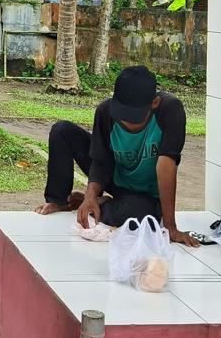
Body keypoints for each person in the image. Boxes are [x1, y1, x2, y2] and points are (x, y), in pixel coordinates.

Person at [35, 65, 201, 248]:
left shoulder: (170, 111)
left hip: (146, 194)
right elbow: (101, 160)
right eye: (122, 114)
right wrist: (91, 195)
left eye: (134, 116)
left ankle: (99, 205)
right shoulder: (105, 111)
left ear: (154, 103)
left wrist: (170, 228)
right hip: (115, 178)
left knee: (139, 219)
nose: (126, 122)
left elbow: (166, 166)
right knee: (62, 131)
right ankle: (61, 201)